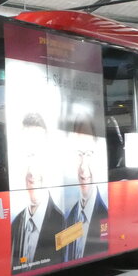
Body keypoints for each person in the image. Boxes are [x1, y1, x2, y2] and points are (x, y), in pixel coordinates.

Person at [10, 112, 67, 272]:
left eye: (36, 156)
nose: (31, 171)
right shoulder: (15, 225)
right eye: (27, 156)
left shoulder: (62, 222)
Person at [62, 107, 108, 260]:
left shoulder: (106, 213)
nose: (83, 168)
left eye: (88, 154)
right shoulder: (69, 218)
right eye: (79, 155)